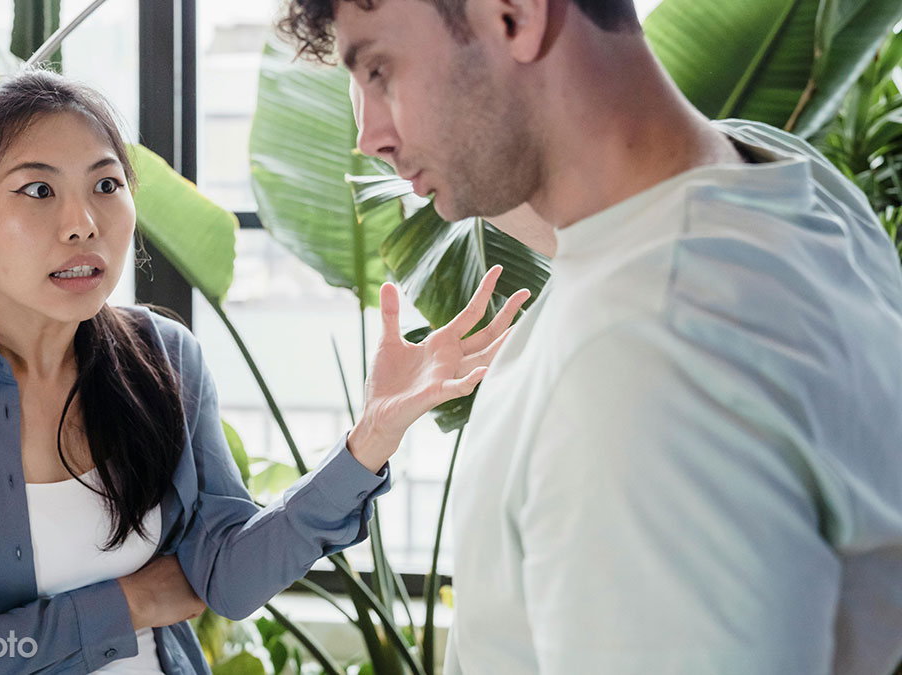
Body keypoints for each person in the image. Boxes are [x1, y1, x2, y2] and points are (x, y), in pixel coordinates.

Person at [0, 69, 529, 674]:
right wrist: (126, 603)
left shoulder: (163, 357)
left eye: (105, 184)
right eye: (37, 191)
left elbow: (226, 575)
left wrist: (371, 436)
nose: (81, 223)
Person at [278, 0, 902, 673]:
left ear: (513, 14)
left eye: (379, 70)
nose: (369, 136)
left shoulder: (638, 363)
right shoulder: (780, 179)